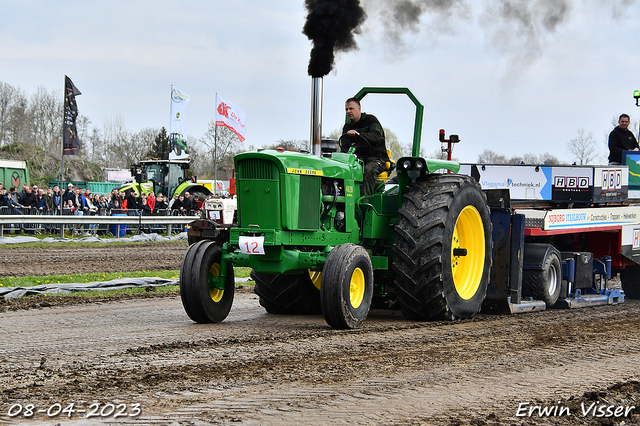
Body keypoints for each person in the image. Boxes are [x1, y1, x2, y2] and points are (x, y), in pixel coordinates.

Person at [341, 97, 387, 197]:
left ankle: (365, 201)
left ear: (359, 108)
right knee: (341, 169)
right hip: (356, 160)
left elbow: (377, 136)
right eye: (346, 109)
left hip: (376, 159)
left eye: (351, 108)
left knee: (369, 169)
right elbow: (344, 147)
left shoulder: (371, 120)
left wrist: (358, 134)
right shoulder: (347, 127)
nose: (348, 111)